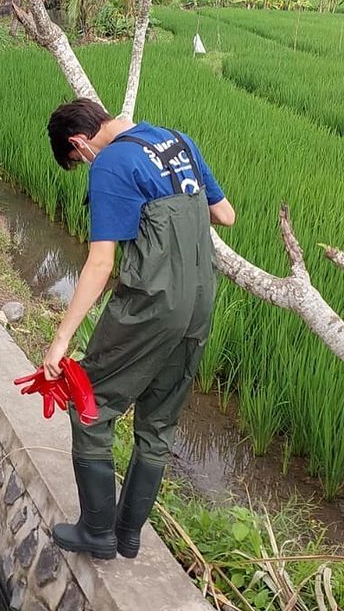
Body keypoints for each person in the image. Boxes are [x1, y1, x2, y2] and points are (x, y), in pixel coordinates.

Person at [44, 99, 235, 560]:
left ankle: (97, 532)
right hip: (199, 305)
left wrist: (61, 339)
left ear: (79, 144)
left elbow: (101, 262)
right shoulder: (178, 140)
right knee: (158, 424)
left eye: (76, 160)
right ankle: (128, 534)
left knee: (90, 403)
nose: (83, 164)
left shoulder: (108, 163)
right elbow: (225, 214)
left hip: (151, 304)